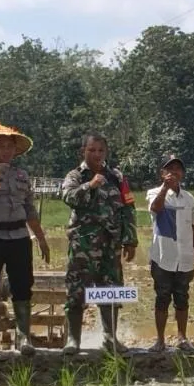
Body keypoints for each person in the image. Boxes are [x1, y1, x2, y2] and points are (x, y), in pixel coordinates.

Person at [0, 124, 50, 357]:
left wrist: (41, 238)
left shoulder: (22, 175)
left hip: (19, 236)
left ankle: (23, 336)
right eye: (1, 146)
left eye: (10, 146)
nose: (6, 150)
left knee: (22, 284)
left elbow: (30, 209)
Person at [61, 133, 137, 355]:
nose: (97, 154)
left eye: (101, 150)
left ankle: (110, 337)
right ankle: (73, 339)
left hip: (110, 245)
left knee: (110, 291)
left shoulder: (116, 177)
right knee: (77, 291)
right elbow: (68, 197)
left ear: (106, 152)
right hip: (83, 245)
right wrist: (90, 186)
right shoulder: (76, 175)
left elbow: (128, 207)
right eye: (92, 150)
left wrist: (130, 239)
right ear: (83, 151)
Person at [147, 155, 194, 352]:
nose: (174, 172)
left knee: (182, 298)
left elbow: (193, 227)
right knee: (162, 297)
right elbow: (156, 208)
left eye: (178, 169)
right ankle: (160, 340)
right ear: (162, 173)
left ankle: (182, 337)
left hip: (185, 257)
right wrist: (165, 188)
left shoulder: (189, 198)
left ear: (182, 173)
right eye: (169, 169)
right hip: (163, 256)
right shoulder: (154, 193)